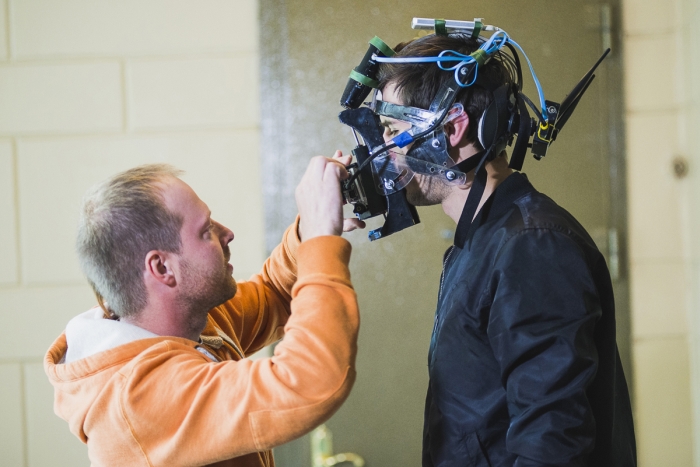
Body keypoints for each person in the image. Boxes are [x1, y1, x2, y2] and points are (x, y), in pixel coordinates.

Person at [375, 34, 636, 466]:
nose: (384, 150)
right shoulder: (481, 240)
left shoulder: (532, 247)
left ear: (451, 128)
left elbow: (552, 444)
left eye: (394, 130)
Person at [44, 155, 364, 467]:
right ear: (162, 268)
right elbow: (309, 381)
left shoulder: (189, 322)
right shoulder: (139, 398)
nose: (227, 234)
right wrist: (319, 241)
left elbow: (276, 295)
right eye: (205, 229)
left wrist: (312, 225)